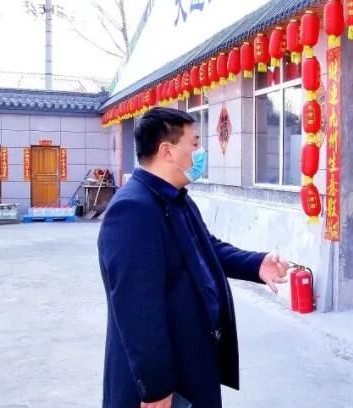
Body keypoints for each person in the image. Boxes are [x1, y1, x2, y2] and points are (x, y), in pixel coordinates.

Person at [98, 107, 289, 408]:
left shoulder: (175, 199)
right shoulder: (133, 209)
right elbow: (137, 309)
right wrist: (156, 386)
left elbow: (205, 247)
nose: (200, 153)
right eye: (195, 143)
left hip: (193, 359)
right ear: (167, 151)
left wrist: (256, 264)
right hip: (166, 379)